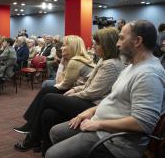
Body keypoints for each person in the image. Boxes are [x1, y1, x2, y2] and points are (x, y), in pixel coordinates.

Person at [46, 20, 165, 158]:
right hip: (101, 124)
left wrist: (98, 125)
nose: (117, 44)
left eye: (121, 38)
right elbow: (113, 97)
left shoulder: (149, 75)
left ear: (137, 41)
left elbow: (142, 123)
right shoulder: (133, 66)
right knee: (55, 132)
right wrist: (90, 111)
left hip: (116, 141)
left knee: (52, 154)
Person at [14, 27, 124, 155]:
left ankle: (32, 135)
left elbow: (92, 92)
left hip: (94, 105)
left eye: (97, 43)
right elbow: (87, 84)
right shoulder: (103, 60)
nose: (93, 46)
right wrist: (75, 88)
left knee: (48, 95)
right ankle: (44, 148)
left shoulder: (110, 64)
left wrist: (74, 93)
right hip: (88, 99)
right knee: (49, 113)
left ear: (106, 45)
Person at [14, 35, 94, 134]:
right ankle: (32, 125)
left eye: (64, 45)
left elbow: (62, 84)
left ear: (72, 47)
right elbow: (59, 81)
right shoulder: (73, 59)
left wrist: (61, 63)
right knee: (48, 91)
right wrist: (62, 62)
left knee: (47, 90)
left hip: (82, 96)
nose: (61, 48)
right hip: (76, 91)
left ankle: (31, 124)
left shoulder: (76, 61)